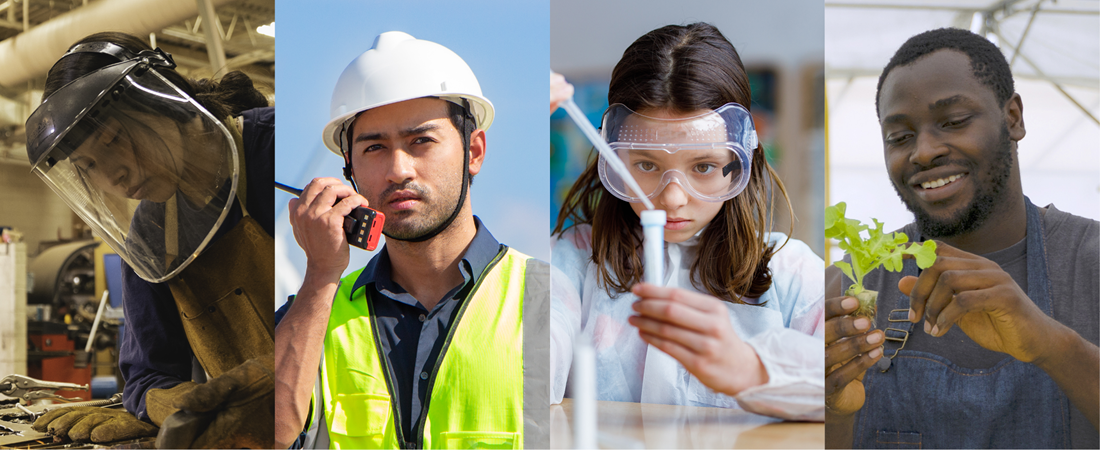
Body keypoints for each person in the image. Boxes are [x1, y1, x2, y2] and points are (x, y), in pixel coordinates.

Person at [824, 28, 1099, 449]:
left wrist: (1049, 343)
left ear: (1013, 119)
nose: (924, 151)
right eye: (899, 137)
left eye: (953, 122)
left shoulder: (1089, 261)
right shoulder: (852, 288)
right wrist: (832, 411)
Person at [273, 31, 549, 449]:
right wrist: (321, 275)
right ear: (348, 168)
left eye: (421, 141)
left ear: (474, 151)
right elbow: (267, 437)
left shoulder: (550, 299)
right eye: (374, 148)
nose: (398, 169)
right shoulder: (313, 313)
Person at [549, 23, 824, 420]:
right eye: (646, 164)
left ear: (739, 162)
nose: (672, 198)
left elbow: (848, 393)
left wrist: (751, 369)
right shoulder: (571, 261)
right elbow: (524, 373)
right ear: (612, 157)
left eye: (704, 166)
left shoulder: (792, 272)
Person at [24, 32, 275, 448]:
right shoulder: (151, 233)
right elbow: (146, 372)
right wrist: (166, 403)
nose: (112, 176)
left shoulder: (277, 152)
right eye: (88, 165)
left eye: (113, 140)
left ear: (164, 100)